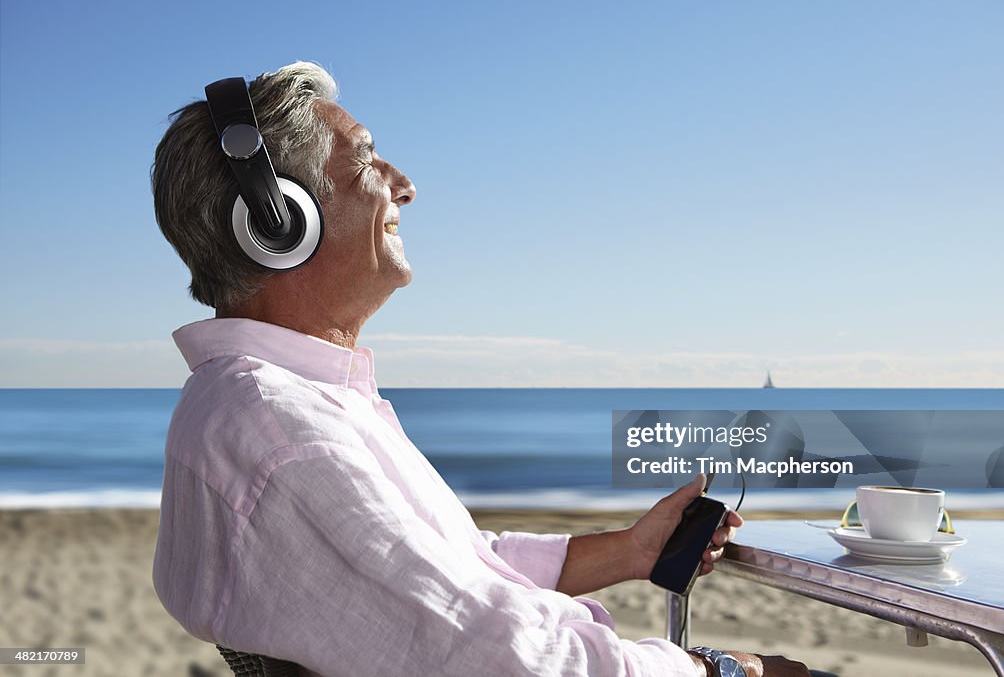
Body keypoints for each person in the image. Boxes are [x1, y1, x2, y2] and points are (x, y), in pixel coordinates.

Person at [151, 61, 812, 677]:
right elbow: (504, 655)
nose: (403, 184)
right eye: (365, 162)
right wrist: (722, 667)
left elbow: (456, 570)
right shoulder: (279, 428)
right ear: (278, 222)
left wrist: (632, 549)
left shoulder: (289, 402)